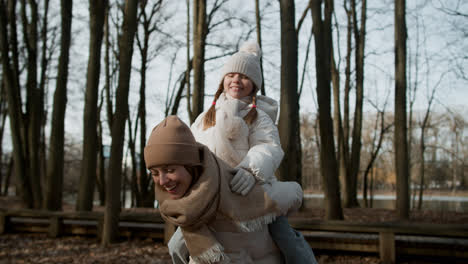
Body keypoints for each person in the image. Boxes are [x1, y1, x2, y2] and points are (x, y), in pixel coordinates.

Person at [169, 41, 318, 264]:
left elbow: (268, 147)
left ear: (254, 85)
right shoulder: (204, 118)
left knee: (286, 238)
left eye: (244, 76)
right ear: (223, 81)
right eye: (231, 75)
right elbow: (192, 151)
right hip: (211, 195)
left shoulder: (259, 118)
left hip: (252, 190)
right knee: (177, 244)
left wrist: (250, 170)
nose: (237, 80)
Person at [144, 115, 303, 264]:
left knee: (291, 243)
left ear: (191, 166)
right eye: (155, 173)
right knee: (175, 246)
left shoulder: (234, 186)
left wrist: (252, 172)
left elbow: (288, 193)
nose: (162, 181)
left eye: (170, 170)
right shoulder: (176, 205)